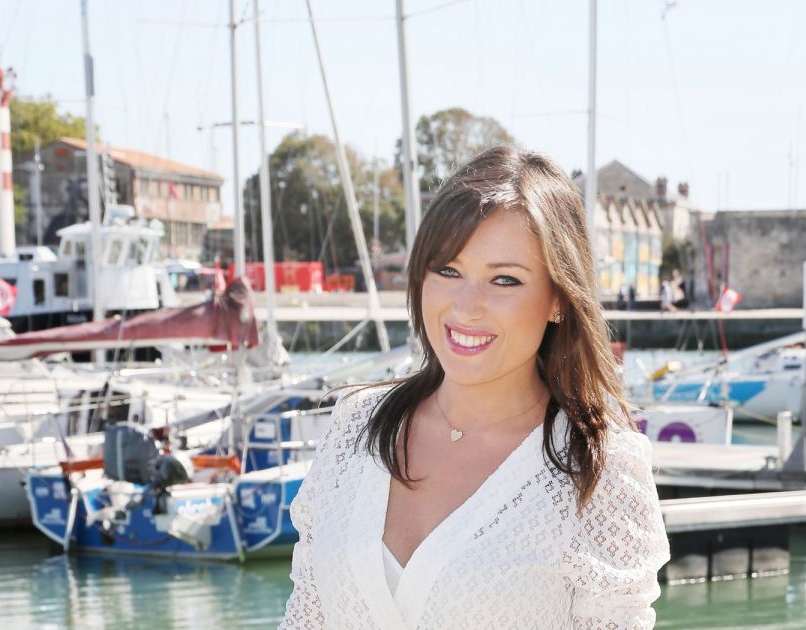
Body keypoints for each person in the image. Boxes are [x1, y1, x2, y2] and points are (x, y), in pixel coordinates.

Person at [279, 146, 670, 629]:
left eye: (505, 280)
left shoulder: (597, 469)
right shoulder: (355, 427)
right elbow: (306, 615)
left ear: (559, 300)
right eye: (448, 271)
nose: (466, 308)